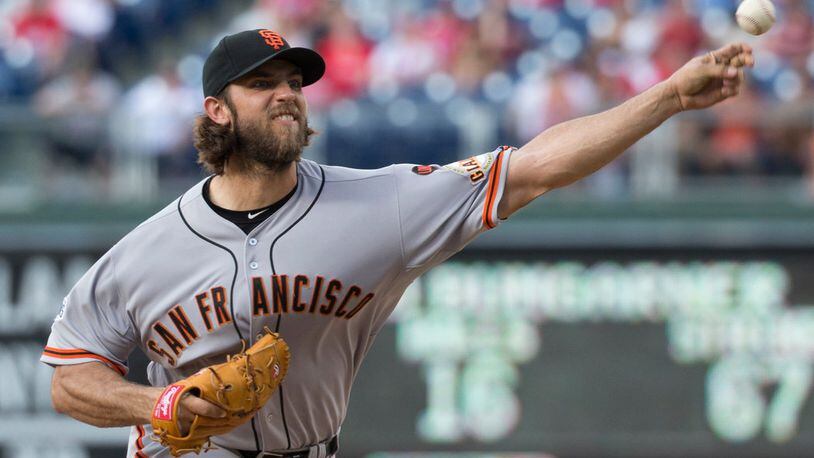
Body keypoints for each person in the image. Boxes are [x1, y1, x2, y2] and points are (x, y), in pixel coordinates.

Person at [41, 28, 754, 457]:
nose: (288, 93)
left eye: (294, 81)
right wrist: (158, 406)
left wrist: (668, 97)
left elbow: (535, 167)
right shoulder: (144, 250)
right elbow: (71, 378)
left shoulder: (382, 203)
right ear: (215, 111)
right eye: (262, 84)